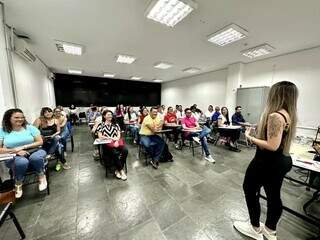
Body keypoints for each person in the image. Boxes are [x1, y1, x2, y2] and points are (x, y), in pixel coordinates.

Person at [233, 81, 298, 240]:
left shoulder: (275, 116)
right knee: (273, 195)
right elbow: (277, 138)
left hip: (267, 162)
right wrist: (260, 127)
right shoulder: (288, 114)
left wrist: (250, 137)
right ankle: (270, 230)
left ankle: (254, 228)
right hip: (281, 161)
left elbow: (272, 145)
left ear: (276, 95)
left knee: (249, 189)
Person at [0, 109, 47, 198]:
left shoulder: (30, 128)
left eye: (22, 117)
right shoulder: (3, 131)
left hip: (34, 150)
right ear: (8, 118)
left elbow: (40, 142)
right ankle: (18, 182)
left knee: (36, 158)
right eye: (16, 117)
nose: (20, 119)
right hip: (13, 155)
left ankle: (41, 176)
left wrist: (23, 147)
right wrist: (16, 151)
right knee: (22, 162)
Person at [97, 110, 128, 180]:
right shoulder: (101, 125)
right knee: (114, 153)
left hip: (116, 142)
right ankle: (121, 171)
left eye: (111, 114)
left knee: (125, 150)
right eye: (108, 115)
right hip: (107, 144)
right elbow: (100, 136)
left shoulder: (115, 124)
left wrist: (116, 141)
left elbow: (119, 135)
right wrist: (110, 138)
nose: (110, 116)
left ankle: (117, 169)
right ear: (104, 116)